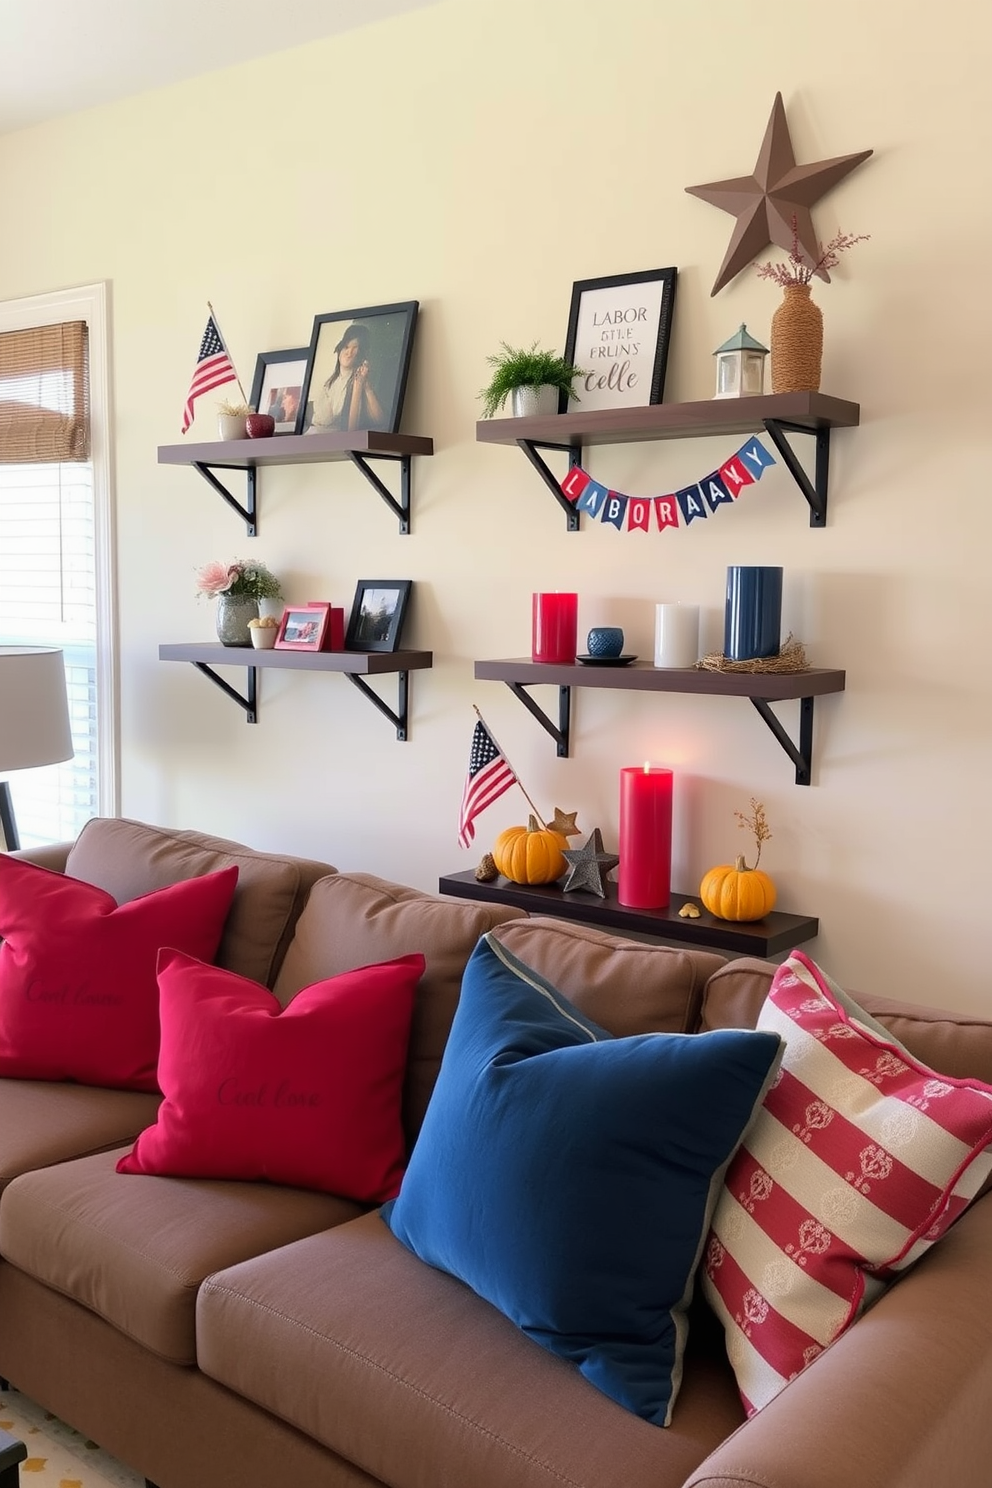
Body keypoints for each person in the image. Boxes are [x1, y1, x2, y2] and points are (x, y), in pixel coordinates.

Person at [305, 324, 386, 433]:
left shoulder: (359, 382)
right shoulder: (329, 383)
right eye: (346, 347)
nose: (349, 353)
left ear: (361, 353)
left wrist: (362, 385)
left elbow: (380, 421)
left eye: (355, 348)